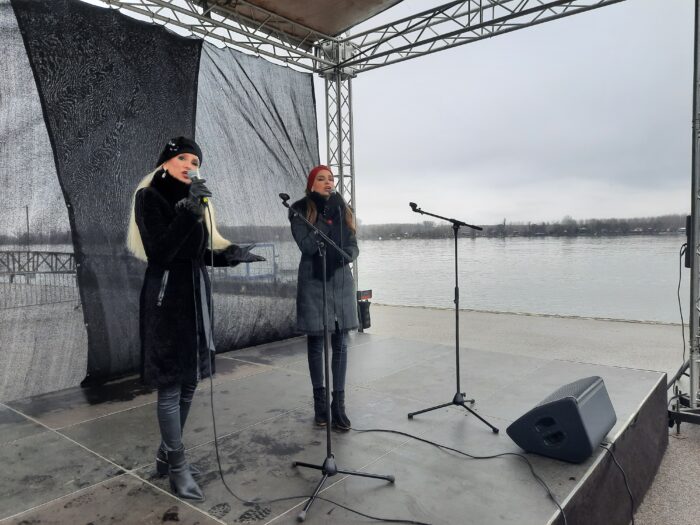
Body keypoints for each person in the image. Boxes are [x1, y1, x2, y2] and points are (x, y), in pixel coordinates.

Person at [126, 136, 264, 501]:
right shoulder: (149, 197)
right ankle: (177, 466)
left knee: (190, 383)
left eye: (195, 161)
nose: (190, 165)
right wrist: (189, 210)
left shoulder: (194, 201)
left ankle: (165, 455)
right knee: (171, 386)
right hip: (166, 300)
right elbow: (160, 252)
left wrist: (232, 256)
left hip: (194, 297)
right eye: (183, 158)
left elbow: (195, 253)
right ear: (166, 162)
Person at [288, 165, 359, 431]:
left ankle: (338, 406)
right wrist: (325, 220)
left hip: (341, 281)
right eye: (322, 179)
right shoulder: (300, 210)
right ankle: (320, 406)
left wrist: (348, 254)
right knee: (316, 343)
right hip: (314, 283)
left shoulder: (343, 209)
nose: (329, 183)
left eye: (331, 179)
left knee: (341, 343)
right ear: (311, 184)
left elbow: (352, 245)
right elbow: (307, 245)